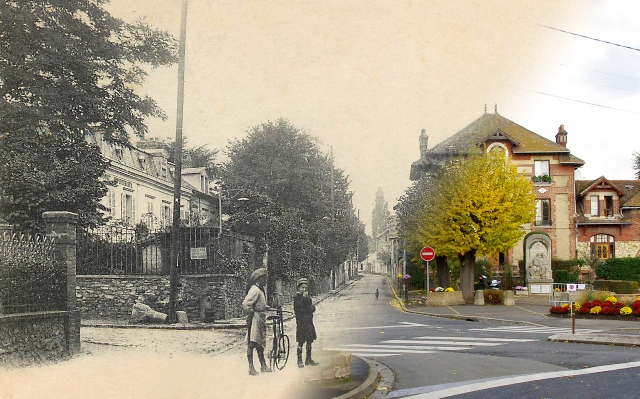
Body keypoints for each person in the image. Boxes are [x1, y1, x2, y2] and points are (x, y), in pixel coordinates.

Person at [242, 268, 272, 376]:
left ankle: (263, 366)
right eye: (265, 279)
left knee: (260, 343)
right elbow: (245, 304)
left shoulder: (259, 290)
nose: (266, 281)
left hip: (260, 318)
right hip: (255, 319)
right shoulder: (254, 290)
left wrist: (265, 307)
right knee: (252, 342)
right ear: (260, 279)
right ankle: (251, 368)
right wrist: (252, 313)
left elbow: (259, 303)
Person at [294, 277, 318, 368]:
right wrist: (309, 306)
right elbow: (300, 308)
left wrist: (311, 307)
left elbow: (311, 308)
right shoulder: (297, 298)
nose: (304, 290)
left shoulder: (307, 298)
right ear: (298, 288)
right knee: (301, 342)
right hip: (301, 324)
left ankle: (308, 359)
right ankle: (299, 360)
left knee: (309, 341)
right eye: (302, 288)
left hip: (309, 323)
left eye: (306, 288)